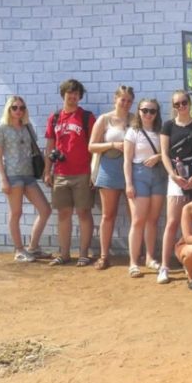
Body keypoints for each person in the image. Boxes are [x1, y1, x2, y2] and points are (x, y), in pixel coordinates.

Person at [157, 90, 192, 284]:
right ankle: (164, 266)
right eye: (177, 104)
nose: (181, 106)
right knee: (172, 222)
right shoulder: (168, 126)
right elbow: (164, 154)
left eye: (184, 102)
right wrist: (173, 175)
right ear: (173, 106)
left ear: (190, 103)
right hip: (176, 175)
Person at [0, 95, 51, 262]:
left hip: (29, 175)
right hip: (13, 176)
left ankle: (33, 247)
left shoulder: (28, 127)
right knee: (16, 212)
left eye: (22, 108)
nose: (18, 111)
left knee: (45, 210)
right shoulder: (1, 129)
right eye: (15, 107)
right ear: (9, 109)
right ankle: (19, 250)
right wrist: (3, 179)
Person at [43, 79, 96, 267]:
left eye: (76, 94)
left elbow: (94, 146)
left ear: (80, 96)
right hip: (60, 173)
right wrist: (47, 170)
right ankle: (64, 254)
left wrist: (93, 172)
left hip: (82, 172)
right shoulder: (55, 118)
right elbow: (50, 145)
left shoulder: (86, 117)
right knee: (63, 213)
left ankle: (83, 253)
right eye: (69, 93)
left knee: (83, 212)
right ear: (63, 94)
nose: (73, 97)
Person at [87, 85, 134, 270]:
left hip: (131, 169)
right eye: (123, 99)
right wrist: (112, 144)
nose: (126, 103)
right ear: (115, 99)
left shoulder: (135, 119)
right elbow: (91, 146)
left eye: (129, 100)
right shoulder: (104, 120)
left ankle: (135, 255)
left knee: (135, 215)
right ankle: (104, 255)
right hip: (109, 169)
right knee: (108, 215)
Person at [123, 98, 167, 278]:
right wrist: (129, 183)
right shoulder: (133, 132)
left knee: (153, 219)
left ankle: (150, 257)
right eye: (145, 110)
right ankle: (133, 262)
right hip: (139, 174)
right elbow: (126, 160)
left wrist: (158, 156)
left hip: (158, 175)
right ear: (139, 111)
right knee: (138, 220)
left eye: (152, 111)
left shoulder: (161, 131)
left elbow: (166, 153)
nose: (148, 114)